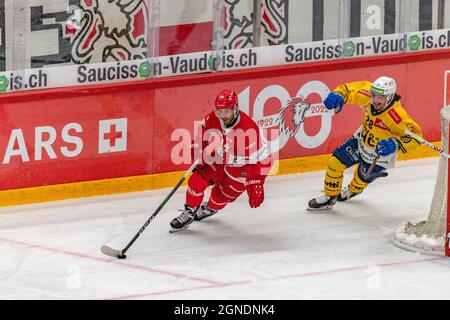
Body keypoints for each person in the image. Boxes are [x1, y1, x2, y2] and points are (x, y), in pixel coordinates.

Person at [308, 76, 423, 211]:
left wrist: (395, 143)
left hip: (380, 156)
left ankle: (353, 190)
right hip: (361, 141)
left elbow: (416, 137)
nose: (375, 100)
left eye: (380, 97)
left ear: (390, 97)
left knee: (360, 179)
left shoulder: (396, 117)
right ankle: (329, 197)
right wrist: (338, 94)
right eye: (373, 95)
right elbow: (348, 90)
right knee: (335, 163)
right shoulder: (368, 95)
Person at [170, 89, 272, 232]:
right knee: (196, 181)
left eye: (227, 112)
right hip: (221, 157)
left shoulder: (249, 130)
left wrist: (256, 182)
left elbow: (265, 160)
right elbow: (204, 128)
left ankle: (210, 208)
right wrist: (200, 148)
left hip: (241, 169)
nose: (223, 115)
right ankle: (189, 211)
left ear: (235, 109)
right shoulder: (215, 117)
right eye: (220, 111)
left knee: (219, 197)